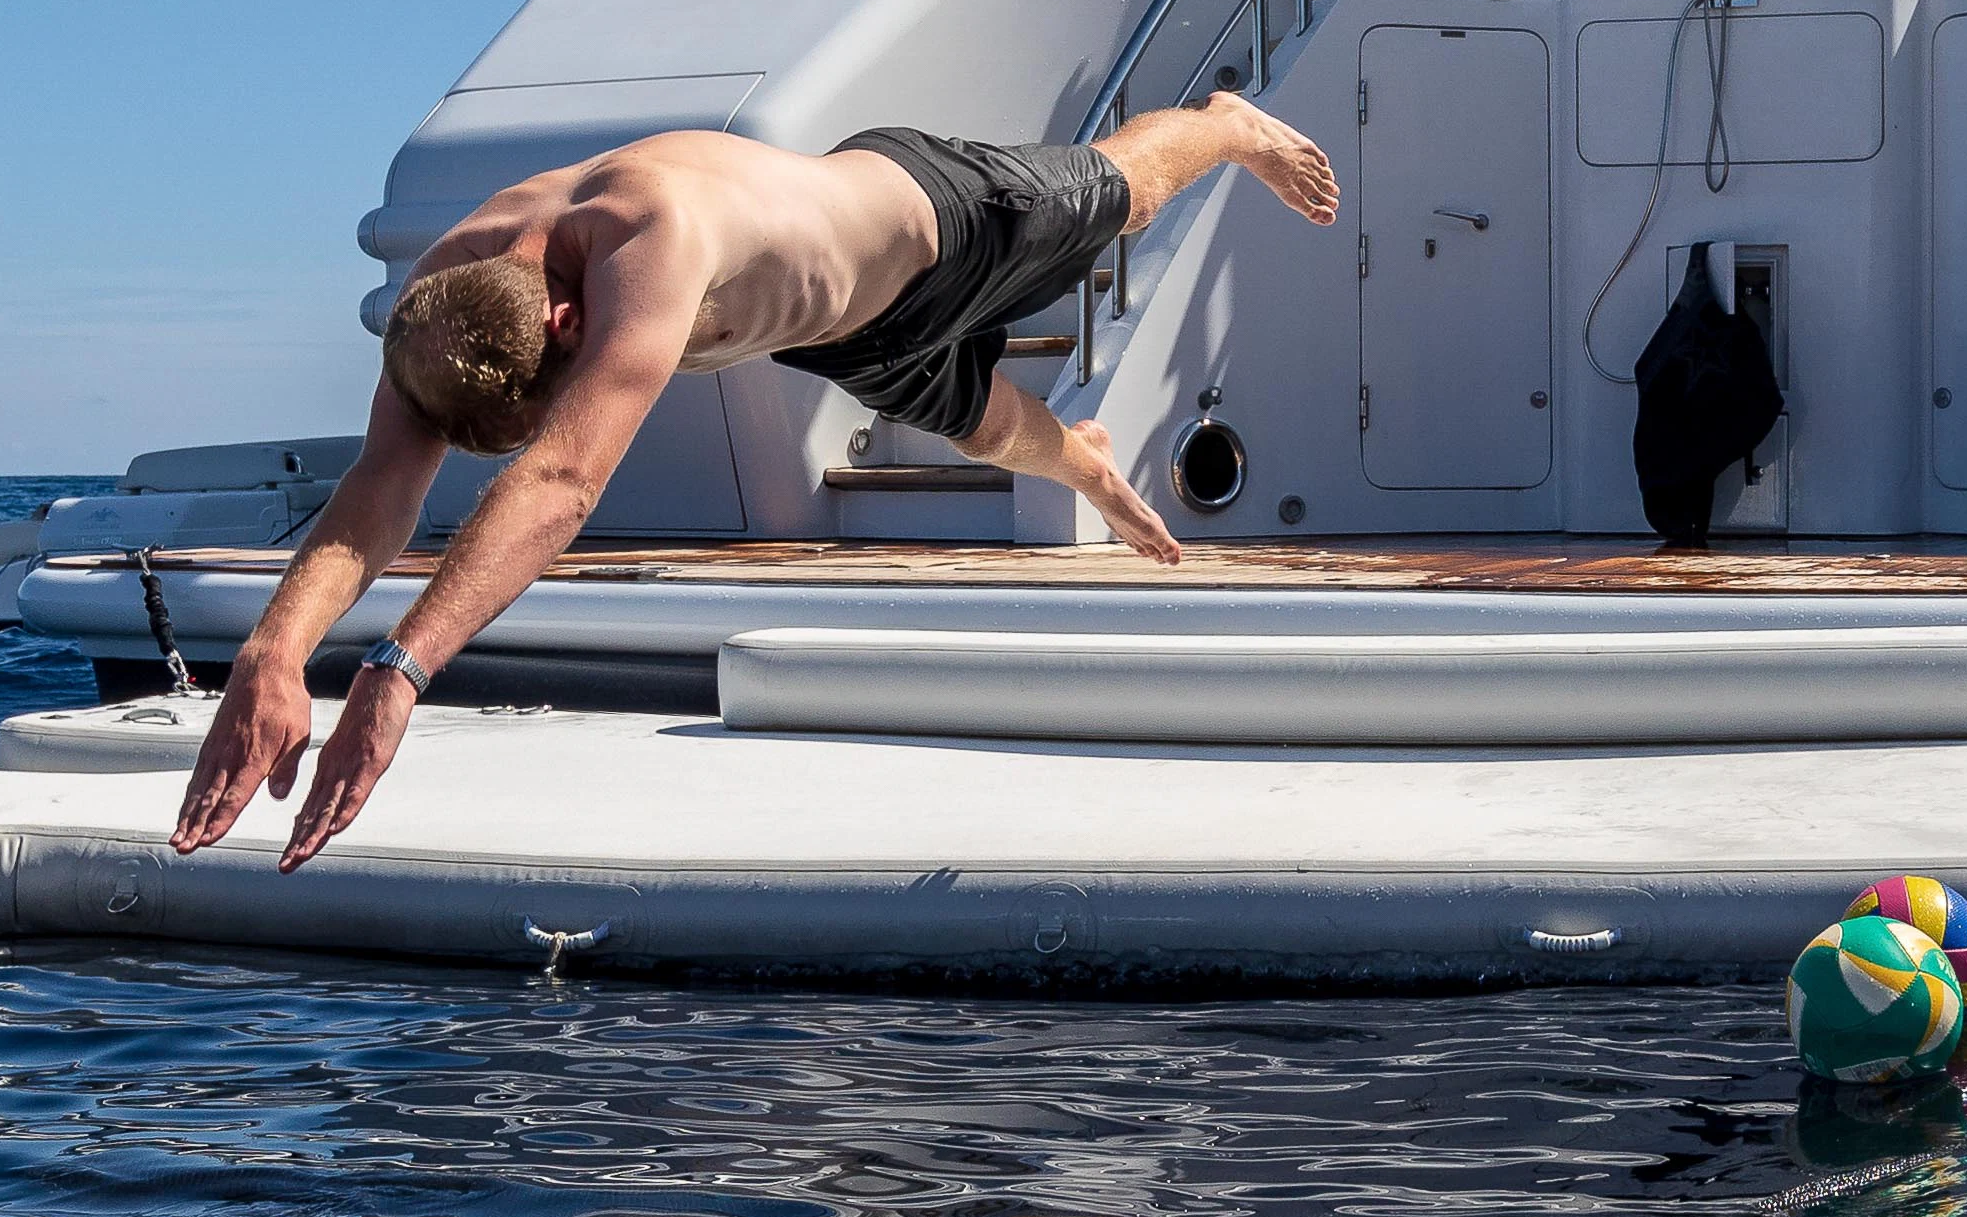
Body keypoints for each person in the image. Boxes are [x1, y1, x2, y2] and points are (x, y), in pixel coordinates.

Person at [172, 100, 1337, 868]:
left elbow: (564, 478)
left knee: (1124, 190)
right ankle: (1086, 456)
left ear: (568, 322)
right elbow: (381, 483)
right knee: (993, 433)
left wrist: (397, 667)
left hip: (942, 220)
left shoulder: (651, 237)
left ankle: (1226, 127)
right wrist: (273, 653)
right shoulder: (444, 301)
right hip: (845, 335)